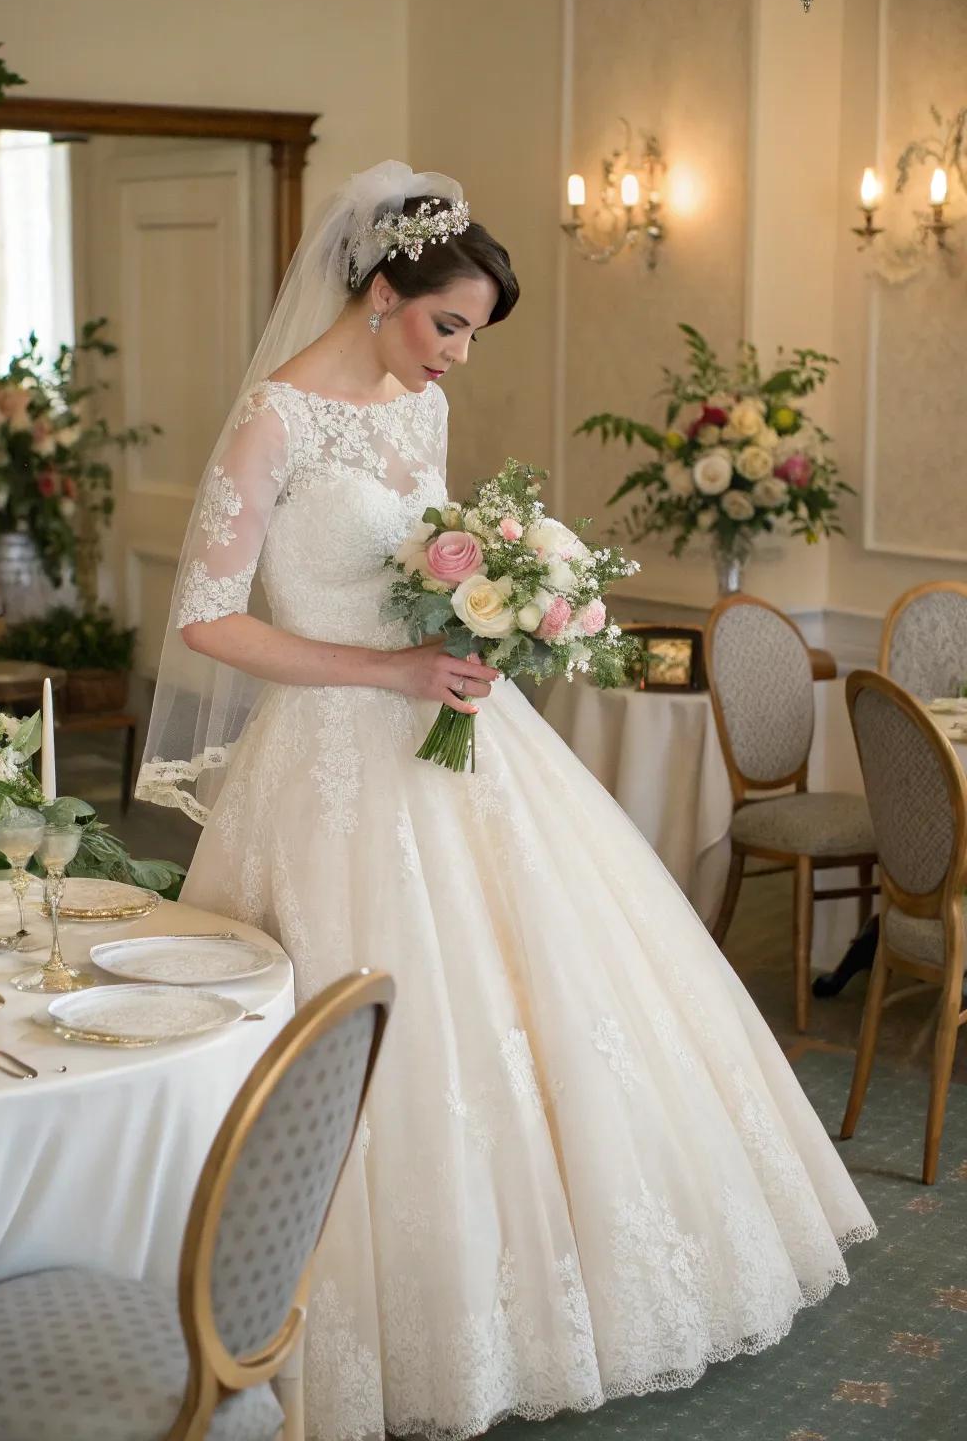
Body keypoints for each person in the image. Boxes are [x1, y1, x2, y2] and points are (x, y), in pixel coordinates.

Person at [138, 161, 875, 1441]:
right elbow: (208, 621)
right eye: (448, 328)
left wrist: (505, 612)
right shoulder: (276, 418)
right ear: (381, 290)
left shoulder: (415, 414)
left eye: (473, 336)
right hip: (328, 765)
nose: (458, 361)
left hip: (463, 738)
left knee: (551, 1004)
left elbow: (432, 556)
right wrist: (389, 666)